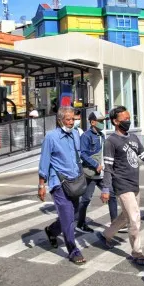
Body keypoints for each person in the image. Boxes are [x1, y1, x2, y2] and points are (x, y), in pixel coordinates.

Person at [97, 106, 144, 266]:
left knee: (126, 216)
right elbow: (108, 166)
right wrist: (106, 188)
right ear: (115, 121)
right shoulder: (110, 141)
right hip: (121, 184)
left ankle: (106, 234)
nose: (128, 121)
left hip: (134, 184)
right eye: (124, 119)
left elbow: (143, 153)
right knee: (134, 219)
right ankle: (137, 252)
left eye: (129, 118)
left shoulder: (133, 137)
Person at [38, 106, 86, 265]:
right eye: (69, 119)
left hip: (74, 181)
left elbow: (78, 156)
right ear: (60, 120)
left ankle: (51, 230)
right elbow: (44, 161)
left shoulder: (75, 135)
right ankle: (73, 250)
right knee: (67, 216)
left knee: (74, 215)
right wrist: (41, 185)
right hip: (58, 182)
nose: (72, 122)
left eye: (73, 119)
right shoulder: (51, 137)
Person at [76, 111, 118, 233]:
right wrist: (95, 164)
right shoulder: (86, 136)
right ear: (92, 122)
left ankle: (114, 223)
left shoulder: (101, 135)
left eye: (103, 121)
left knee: (111, 194)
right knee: (86, 199)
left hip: (102, 173)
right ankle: (80, 223)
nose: (102, 123)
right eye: (99, 121)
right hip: (91, 173)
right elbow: (82, 154)